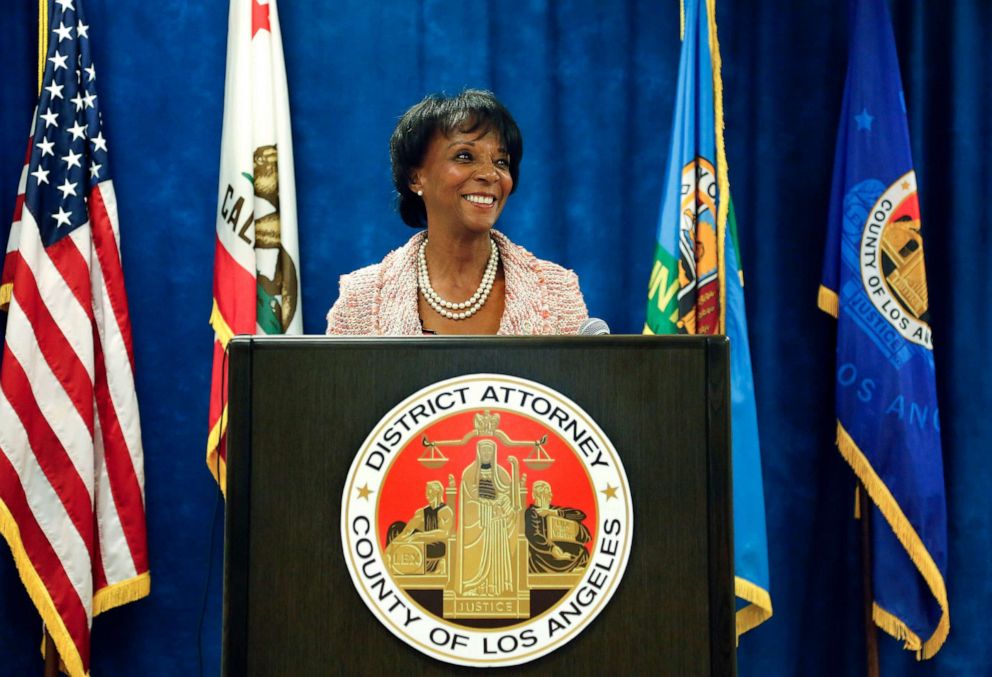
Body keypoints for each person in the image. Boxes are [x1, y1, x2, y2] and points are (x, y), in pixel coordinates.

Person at [325, 89, 589, 336]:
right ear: (416, 177)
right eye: (464, 156)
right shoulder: (361, 297)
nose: (489, 174)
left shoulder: (557, 292)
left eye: (501, 162)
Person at [458, 440, 517, 596]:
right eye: (483, 451)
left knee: (495, 552)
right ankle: (477, 587)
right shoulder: (469, 473)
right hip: (478, 521)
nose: (486, 454)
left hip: (496, 521)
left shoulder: (501, 473)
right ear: (478, 452)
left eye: (489, 451)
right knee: (478, 554)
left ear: (493, 453)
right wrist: (482, 503)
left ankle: (495, 587)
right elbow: (468, 499)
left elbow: (508, 495)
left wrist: (502, 503)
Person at [385, 480, 454, 574]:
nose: (426, 493)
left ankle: (439, 564)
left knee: (422, 542)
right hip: (421, 541)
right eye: (426, 490)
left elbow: (444, 533)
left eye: (429, 490)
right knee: (396, 528)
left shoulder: (445, 511)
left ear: (437, 492)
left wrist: (419, 535)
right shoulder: (421, 512)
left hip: (437, 544)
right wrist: (390, 548)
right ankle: (391, 558)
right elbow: (407, 531)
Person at [525, 480, 591, 573]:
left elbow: (580, 515)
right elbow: (534, 536)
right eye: (548, 493)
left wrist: (554, 513)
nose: (551, 496)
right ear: (538, 495)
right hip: (544, 555)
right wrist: (551, 548)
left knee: (582, 551)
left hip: (561, 550)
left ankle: (576, 568)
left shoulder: (553, 510)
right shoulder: (531, 513)